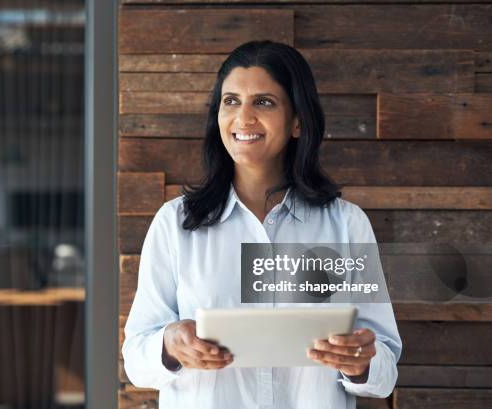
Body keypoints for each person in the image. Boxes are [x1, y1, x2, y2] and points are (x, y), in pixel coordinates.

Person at [122, 40, 401, 409]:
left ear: (298, 120)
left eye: (264, 102)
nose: (243, 118)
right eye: (231, 101)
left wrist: (361, 362)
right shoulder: (176, 225)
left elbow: (384, 370)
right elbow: (138, 362)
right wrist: (170, 345)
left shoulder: (346, 226)